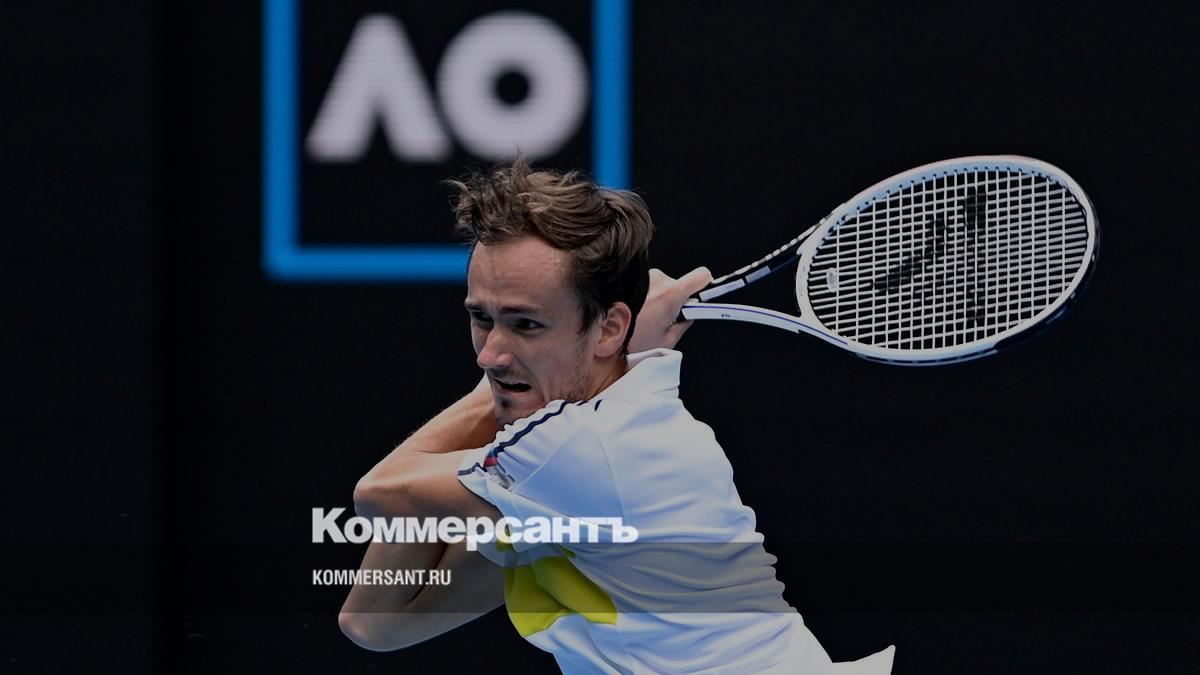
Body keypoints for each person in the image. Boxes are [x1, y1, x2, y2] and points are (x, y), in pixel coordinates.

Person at [339, 158, 895, 673]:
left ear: (609, 326)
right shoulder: (570, 462)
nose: (489, 354)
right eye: (482, 318)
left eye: (526, 324)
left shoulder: (583, 451)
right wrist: (582, 359)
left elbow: (381, 491)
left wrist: (520, 384)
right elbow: (375, 622)